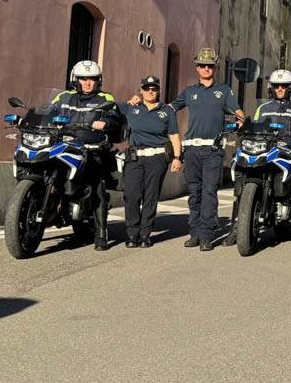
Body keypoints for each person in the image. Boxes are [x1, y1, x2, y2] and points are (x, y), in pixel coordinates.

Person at [163, 47, 244, 251]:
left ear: (214, 67)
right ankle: (194, 233)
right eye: (202, 65)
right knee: (194, 193)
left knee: (209, 192)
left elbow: (237, 110)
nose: (206, 68)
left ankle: (207, 235)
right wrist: (143, 103)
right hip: (191, 150)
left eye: (210, 65)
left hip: (213, 151)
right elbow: (169, 109)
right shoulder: (190, 92)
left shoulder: (224, 91)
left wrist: (241, 120)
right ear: (197, 68)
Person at [49, 60, 123, 251]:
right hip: (64, 147)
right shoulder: (63, 97)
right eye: (83, 79)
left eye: (92, 79)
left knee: (97, 186)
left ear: (98, 81)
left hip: (92, 149)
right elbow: (48, 112)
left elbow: (114, 117)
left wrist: (105, 122)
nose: (88, 83)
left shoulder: (105, 98)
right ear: (76, 80)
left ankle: (101, 235)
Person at [248, 68, 291, 245]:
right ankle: (236, 228)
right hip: (266, 150)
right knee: (245, 176)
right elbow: (255, 127)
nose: (279, 88)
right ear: (271, 88)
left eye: (283, 85)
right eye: (276, 85)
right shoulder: (262, 108)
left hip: (289, 151)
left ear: (289, 88)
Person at [120, 75, 182, 248]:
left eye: (154, 89)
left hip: (157, 158)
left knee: (150, 196)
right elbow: (112, 108)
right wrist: (129, 101)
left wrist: (177, 157)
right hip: (134, 157)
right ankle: (132, 234)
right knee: (132, 195)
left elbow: (174, 136)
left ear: (158, 91)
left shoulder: (167, 111)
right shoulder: (132, 108)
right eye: (146, 89)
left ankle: (145, 234)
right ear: (140, 90)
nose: (150, 92)